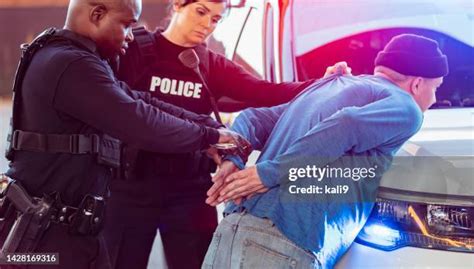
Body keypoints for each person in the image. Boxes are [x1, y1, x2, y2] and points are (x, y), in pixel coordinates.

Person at [104, 0, 351, 268]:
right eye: (201, 12)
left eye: (215, 19)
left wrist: (322, 82)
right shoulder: (133, 51)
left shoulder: (211, 65)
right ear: (177, 5)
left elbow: (266, 92)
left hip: (189, 188)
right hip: (130, 184)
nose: (206, 25)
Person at [2, 0, 246, 268]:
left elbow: (139, 100)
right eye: (126, 25)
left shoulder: (79, 59)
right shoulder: (70, 64)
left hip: (65, 230)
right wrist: (207, 137)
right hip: (44, 239)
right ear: (97, 14)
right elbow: (139, 120)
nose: (131, 35)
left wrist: (208, 127)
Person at [203, 34, 448, 268]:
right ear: (417, 84)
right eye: (436, 87)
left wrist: (232, 157)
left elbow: (253, 117)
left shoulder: (326, 86)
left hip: (232, 228)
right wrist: (267, 174)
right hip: (282, 240)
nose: (435, 98)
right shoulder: (407, 107)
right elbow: (346, 124)